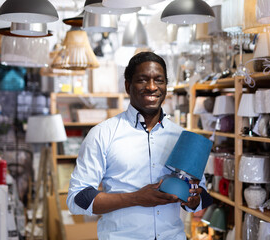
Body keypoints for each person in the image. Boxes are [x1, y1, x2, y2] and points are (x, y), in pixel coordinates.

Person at [67, 51, 212, 240]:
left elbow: (200, 195)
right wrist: (135, 198)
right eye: (143, 80)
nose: (152, 87)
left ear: (166, 86)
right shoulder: (103, 134)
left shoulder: (181, 136)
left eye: (158, 80)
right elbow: (77, 199)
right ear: (128, 86)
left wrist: (193, 199)